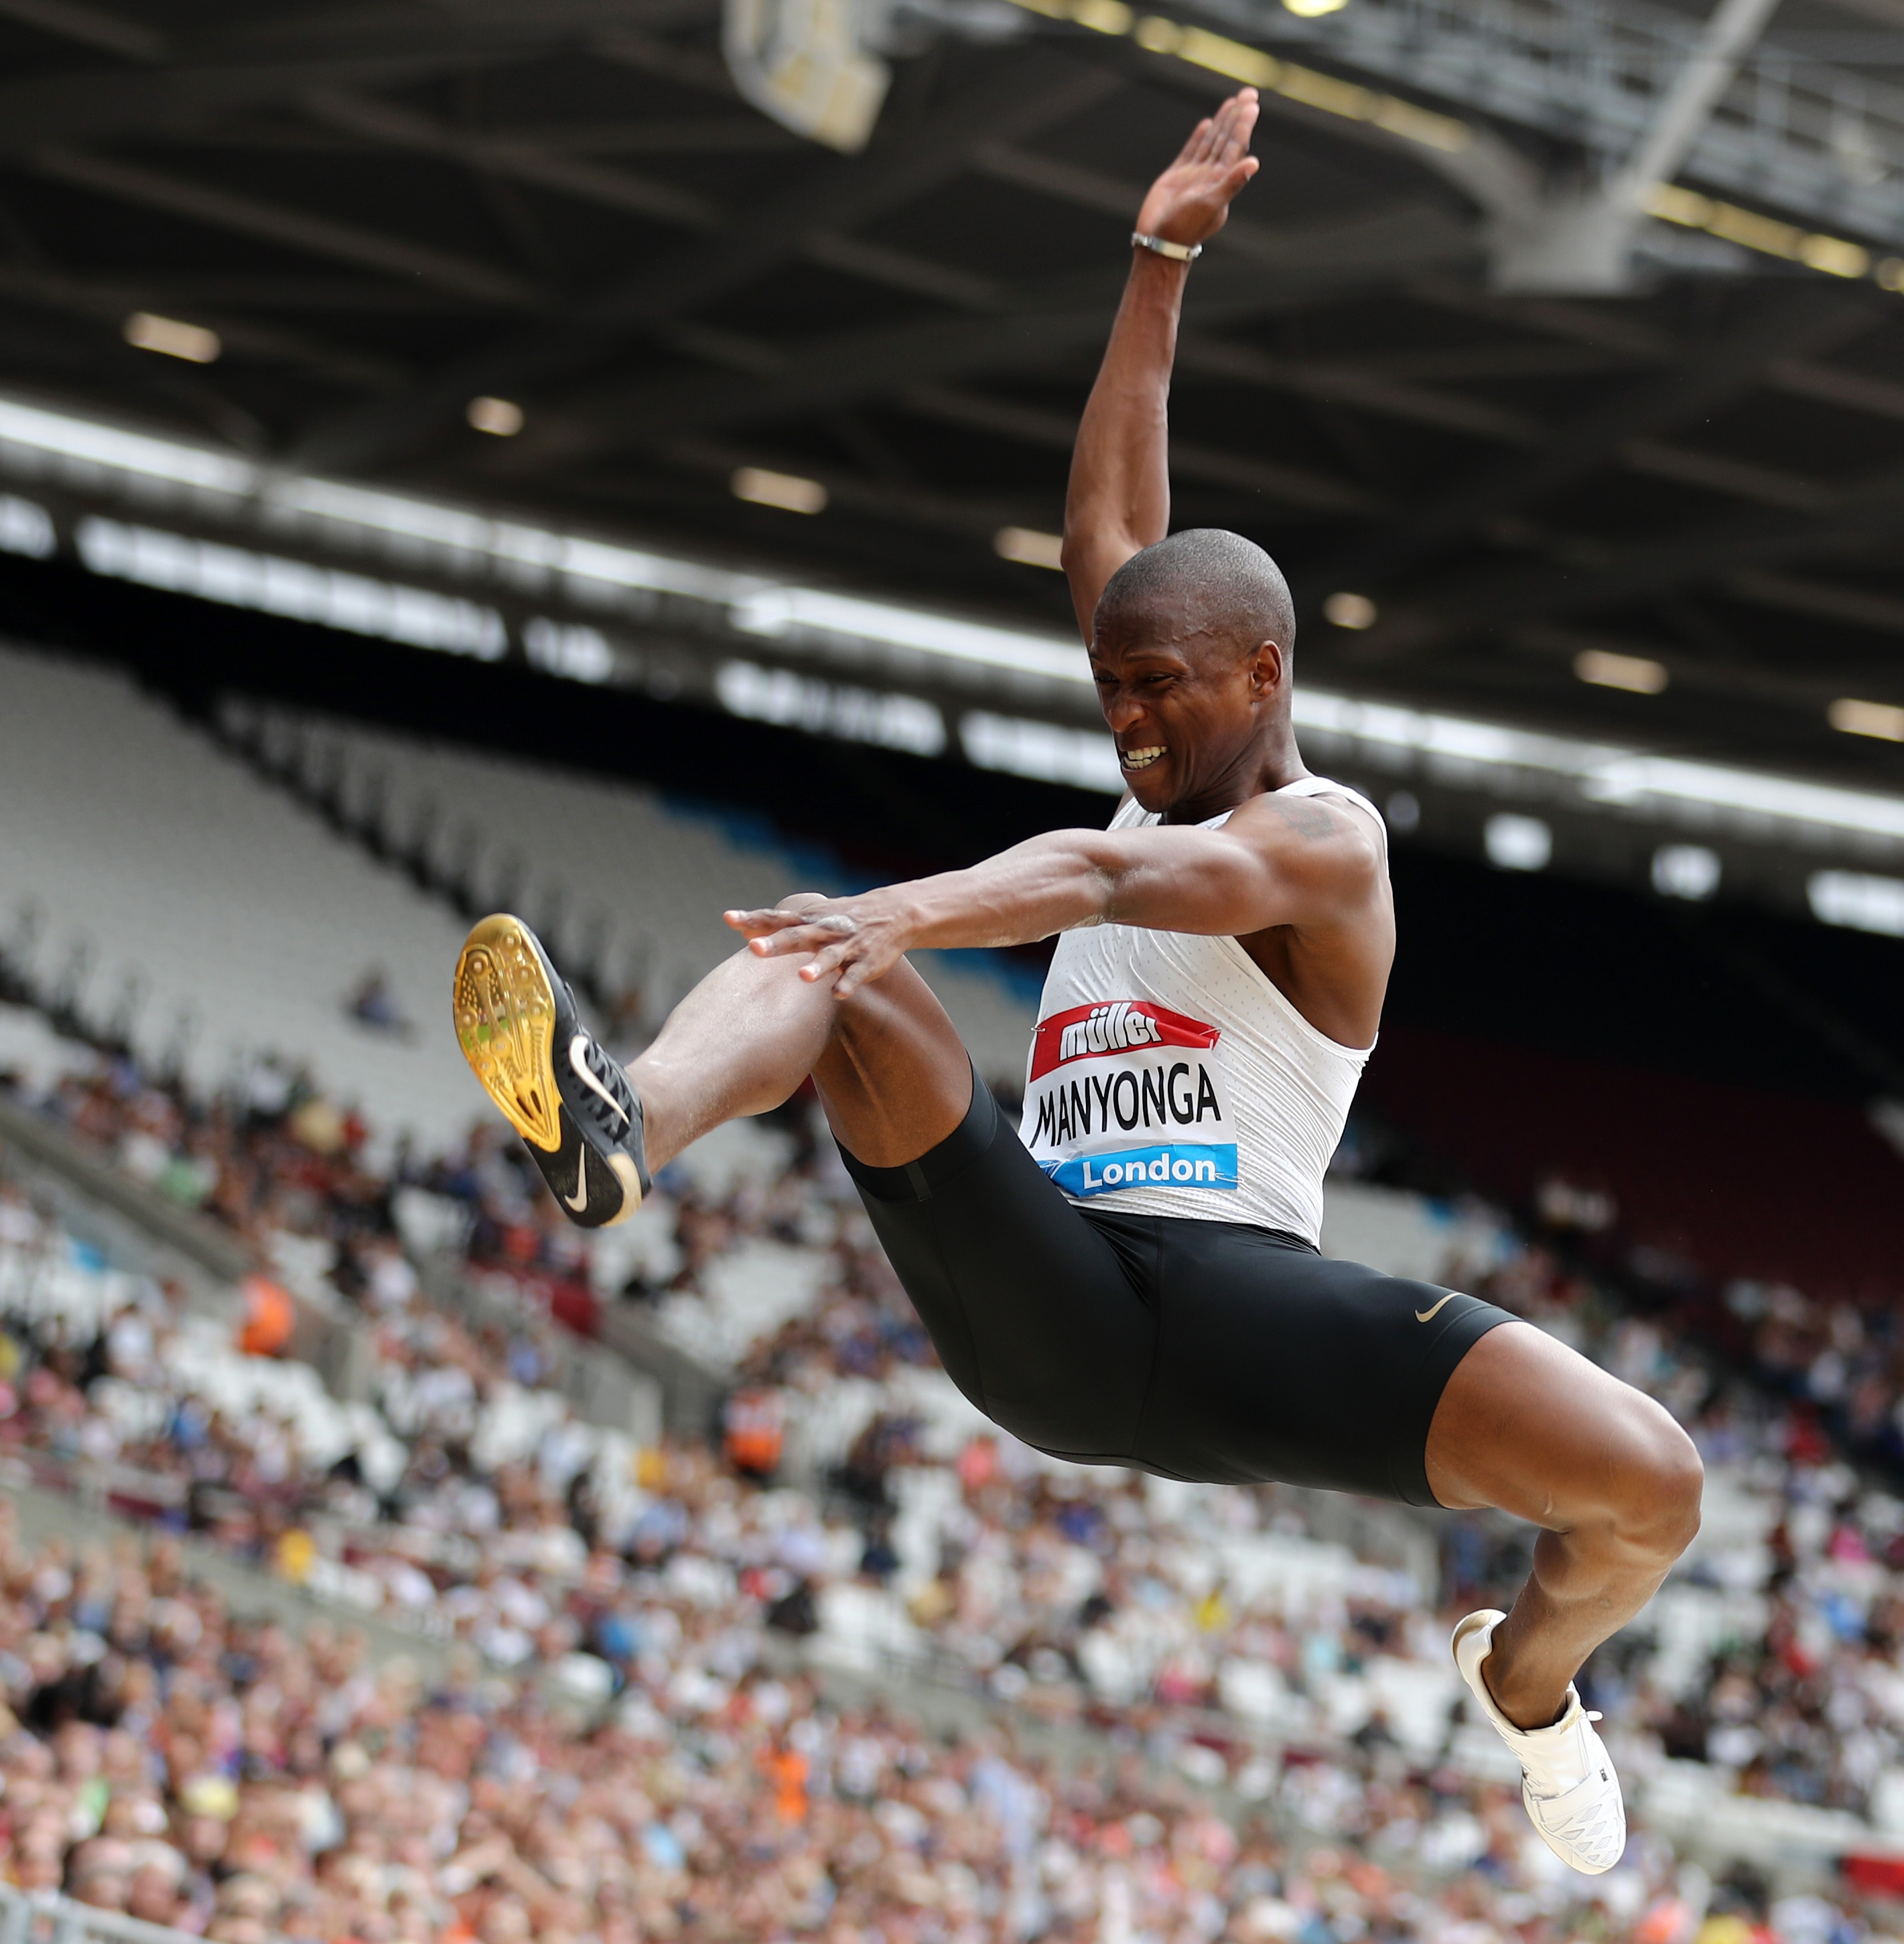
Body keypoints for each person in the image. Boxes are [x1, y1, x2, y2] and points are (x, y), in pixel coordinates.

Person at [450, 85, 1700, 1875]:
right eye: (1110, 692)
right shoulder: (1163, 724)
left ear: (1262, 677)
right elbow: (1114, 524)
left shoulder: (1323, 843)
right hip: (1043, 1282)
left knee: (1652, 1483)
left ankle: (1529, 1681)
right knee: (827, 961)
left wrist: (909, 906)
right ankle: (621, 1125)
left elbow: (1110, 873)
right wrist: (1154, 263)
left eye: (1158, 692)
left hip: (1242, 1315)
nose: (1125, 723)